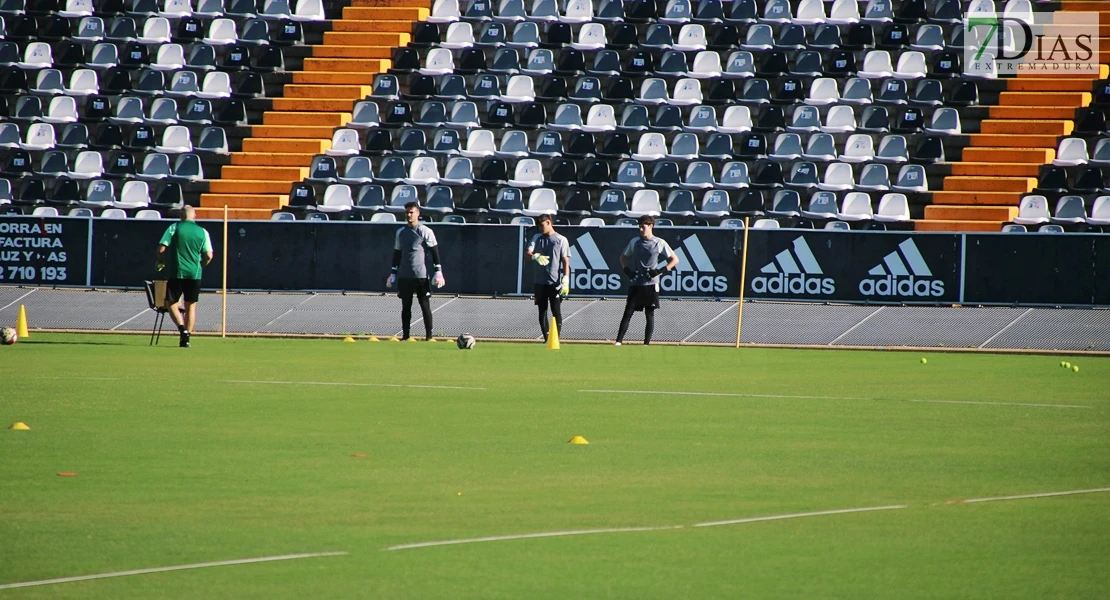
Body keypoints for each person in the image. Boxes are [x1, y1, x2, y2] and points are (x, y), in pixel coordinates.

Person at [615, 215, 679, 346]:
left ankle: (646, 343)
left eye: (643, 227)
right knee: (628, 312)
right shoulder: (635, 242)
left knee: (649, 314)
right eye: (639, 227)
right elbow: (622, 257)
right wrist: (627, 271)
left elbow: (675, 259)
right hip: (637, 283)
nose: (641, 230)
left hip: (651, 284)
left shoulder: (659, 243)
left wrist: (660, 271)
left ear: (651, 226)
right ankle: (618, 341)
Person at [155, 205, 213, 348]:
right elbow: (209, 255)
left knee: (171, 303)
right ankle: (186, 338)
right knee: (191, 306)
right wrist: (201, 265)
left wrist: (161, 260)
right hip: (195, 273)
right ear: (195, 216)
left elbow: (162, 248)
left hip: (177, 272)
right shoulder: (203, 231)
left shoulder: (174, 227)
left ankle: (182, 329)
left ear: (181, 215)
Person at [387, 202, 445, 341]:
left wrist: (438, 271)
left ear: (418, 213)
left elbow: (434, 251)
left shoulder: (425, 231)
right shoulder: (400, 232)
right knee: (405, 306)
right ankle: (406, 336)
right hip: (405, 276)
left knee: (425, 305)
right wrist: (393, 272)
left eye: (411, 212)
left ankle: (429, 337)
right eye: (407, 212)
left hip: (421, 275)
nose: (409, 215)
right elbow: (397, 253)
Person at [524, 214, 571, 342]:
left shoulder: (561, 240)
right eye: (538, 226)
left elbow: (566, 262)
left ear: (549, 223)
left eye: (542, 225)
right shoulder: (537, 237)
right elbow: (527, 253)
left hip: (554, 282)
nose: (540, 228)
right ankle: (546, 338)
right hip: (540, 282)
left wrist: (566, 279)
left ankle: (555, 338)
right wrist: (535, 256)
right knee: (542, 311)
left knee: (556, 311)